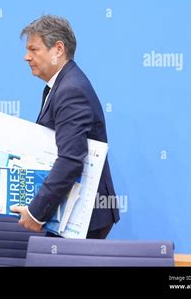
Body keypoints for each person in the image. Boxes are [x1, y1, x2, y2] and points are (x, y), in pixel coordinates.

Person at [10, 15, 120, 239]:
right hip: (72, 211)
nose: (26, 57)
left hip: (84, 218)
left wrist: (35, 213)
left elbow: (70, 160)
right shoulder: (62, 84)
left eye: (33, 49)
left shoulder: (70, 90)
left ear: (58, 49)